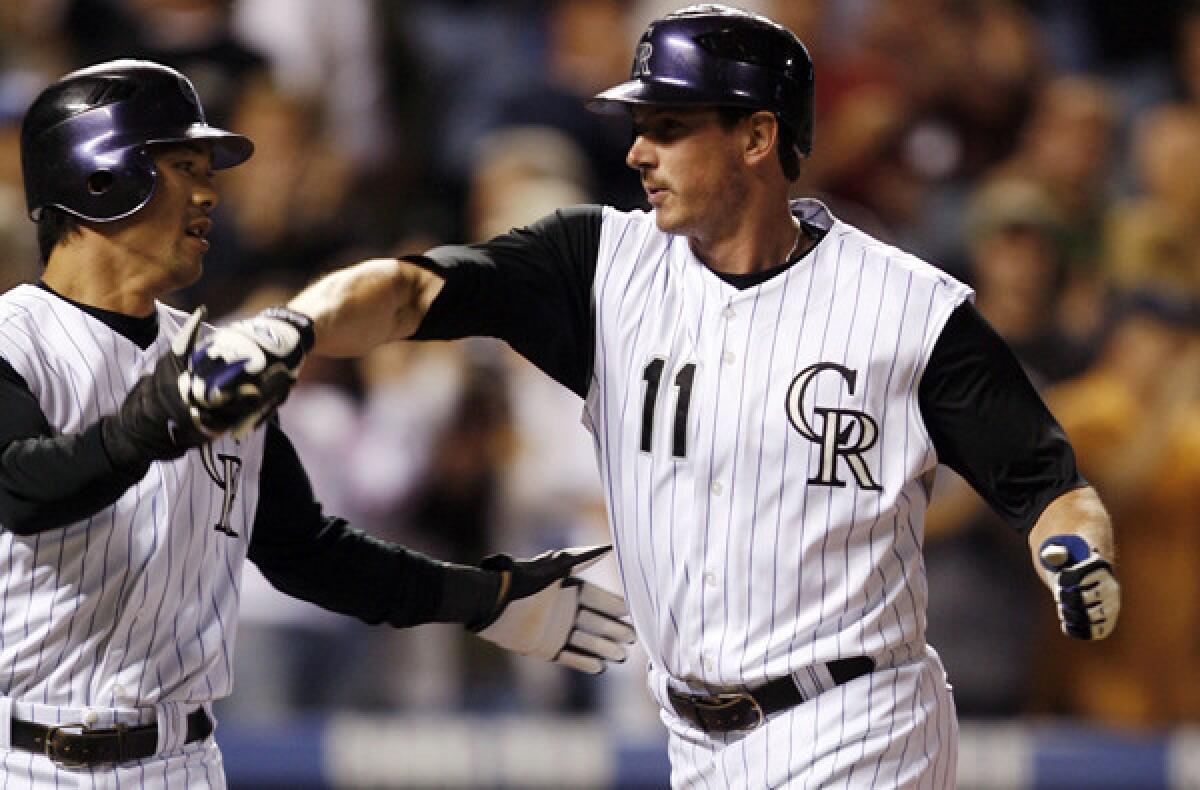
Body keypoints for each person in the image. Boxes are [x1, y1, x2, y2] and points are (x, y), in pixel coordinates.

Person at [207, 6, 1121, 787]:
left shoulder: (908, 310)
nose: (639, 150)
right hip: (692, 733)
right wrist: (294, 327)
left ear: (759, 136)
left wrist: (1076, 551)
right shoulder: (600, 264)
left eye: (673, 125)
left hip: (861, 722)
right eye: (642, 123)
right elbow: (412, 290)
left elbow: (1049, 488)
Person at [0, 59, 634, 787]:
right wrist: (151, 426)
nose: (210, 192)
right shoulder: (15, 340)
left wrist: (479, 597)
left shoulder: (215, 356)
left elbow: (307, 550)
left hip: (186, 765)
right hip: (33, 760)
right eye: (183, 165)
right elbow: (20, 489)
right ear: (98, 175)